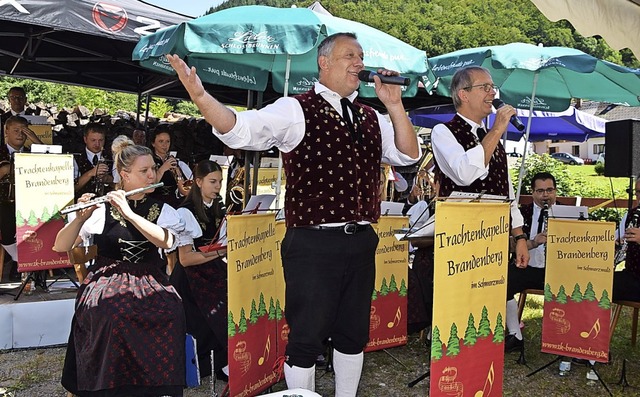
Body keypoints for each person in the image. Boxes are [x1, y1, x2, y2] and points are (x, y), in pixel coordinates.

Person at [166, 31, 420, 395]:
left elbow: (408, 156)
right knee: (306, 337)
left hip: (362, 239)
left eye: (361, 56)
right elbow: (240, 130)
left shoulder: (371, 117)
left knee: (353, 334)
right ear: (324, 62)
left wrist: (394, 105)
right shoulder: (295, 108)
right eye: (350, 55)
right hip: (313, 242)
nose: (359, 63)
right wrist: (201, 96)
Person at [53, 136, 186, 396]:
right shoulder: (102, 209)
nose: (152, 176)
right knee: (112, 313)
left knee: (173, 310)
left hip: (149, 277)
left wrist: (130, 214)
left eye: (152, 170)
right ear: (125, 175)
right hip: (107, 277)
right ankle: (107, 386)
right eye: (144, 171)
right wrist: (79, 220)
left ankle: (156, 387)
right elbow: (60, 246)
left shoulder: (162, 209)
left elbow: (167, 240)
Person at [430, 66, 529, 347]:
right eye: (484, 87)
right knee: (461, 301)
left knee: (491, 295)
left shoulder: (493, 138)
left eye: (492, 87)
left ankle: (492, 345)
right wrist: (498, 128)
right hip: (461, 236)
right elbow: (464, 173)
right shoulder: (443, 131)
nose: (492, 93)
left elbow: (505, 191)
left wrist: (519, 236)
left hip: (494, 237)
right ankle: (455, 351)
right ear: (463, 94)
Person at [171, 160, 229, 382]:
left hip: (211, 270)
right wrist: (220, 253)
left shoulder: (217, 208)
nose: (218, 187)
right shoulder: (185, 213)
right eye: (213, 182)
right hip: (190, 279)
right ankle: (206, 365)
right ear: (198, 181)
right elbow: (185, 259)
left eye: (220, 182)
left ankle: (224, 362)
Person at [504, 172, 558, 352]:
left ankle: (567, 339)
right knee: (503, 284)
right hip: (527, 268)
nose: (545, 195)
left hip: (556, 270)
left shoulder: (566, 213)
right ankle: (515, 335)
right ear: (533, 192)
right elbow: (511, 247)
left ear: (555, 191)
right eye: (540, 191)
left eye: (549, 190)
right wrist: (534, 242)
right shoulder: (520, 215)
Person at [0, 116, 43, 281]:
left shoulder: (31, 151)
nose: (20, 134)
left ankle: (37, 265)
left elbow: (50, 161)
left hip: (30, 201)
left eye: (24, 131)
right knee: (5, 219)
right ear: (6, 131)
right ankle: (20, 260)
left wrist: (34, 139)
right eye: (16, 130)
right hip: (4, 201)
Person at [149, 125, 192, 208]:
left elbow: (184, 191)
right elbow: (150, 186)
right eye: (161, 141)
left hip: (173, 202)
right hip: (154, 201)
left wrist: (177, 172)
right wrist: (163, 168)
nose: (165, 145)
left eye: (167, 141)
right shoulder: (149, 160)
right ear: (153, 143)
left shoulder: (173, 160)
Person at [613, 176, 640, 302]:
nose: (639, 196)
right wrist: (616, 245)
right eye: (638, 192)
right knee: (599, 284)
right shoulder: (632, 214)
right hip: (631, 276)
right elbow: (616, 237)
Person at [73, 123, 114, 200]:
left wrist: (108, 179)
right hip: (81, 204)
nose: (97, 144)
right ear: (85, 139)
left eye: (101, 140)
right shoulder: (76, 158)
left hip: (106, 203)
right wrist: (90, 173)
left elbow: (120, 186)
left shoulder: (112, 158)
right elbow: (73, 188)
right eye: (93, 140)